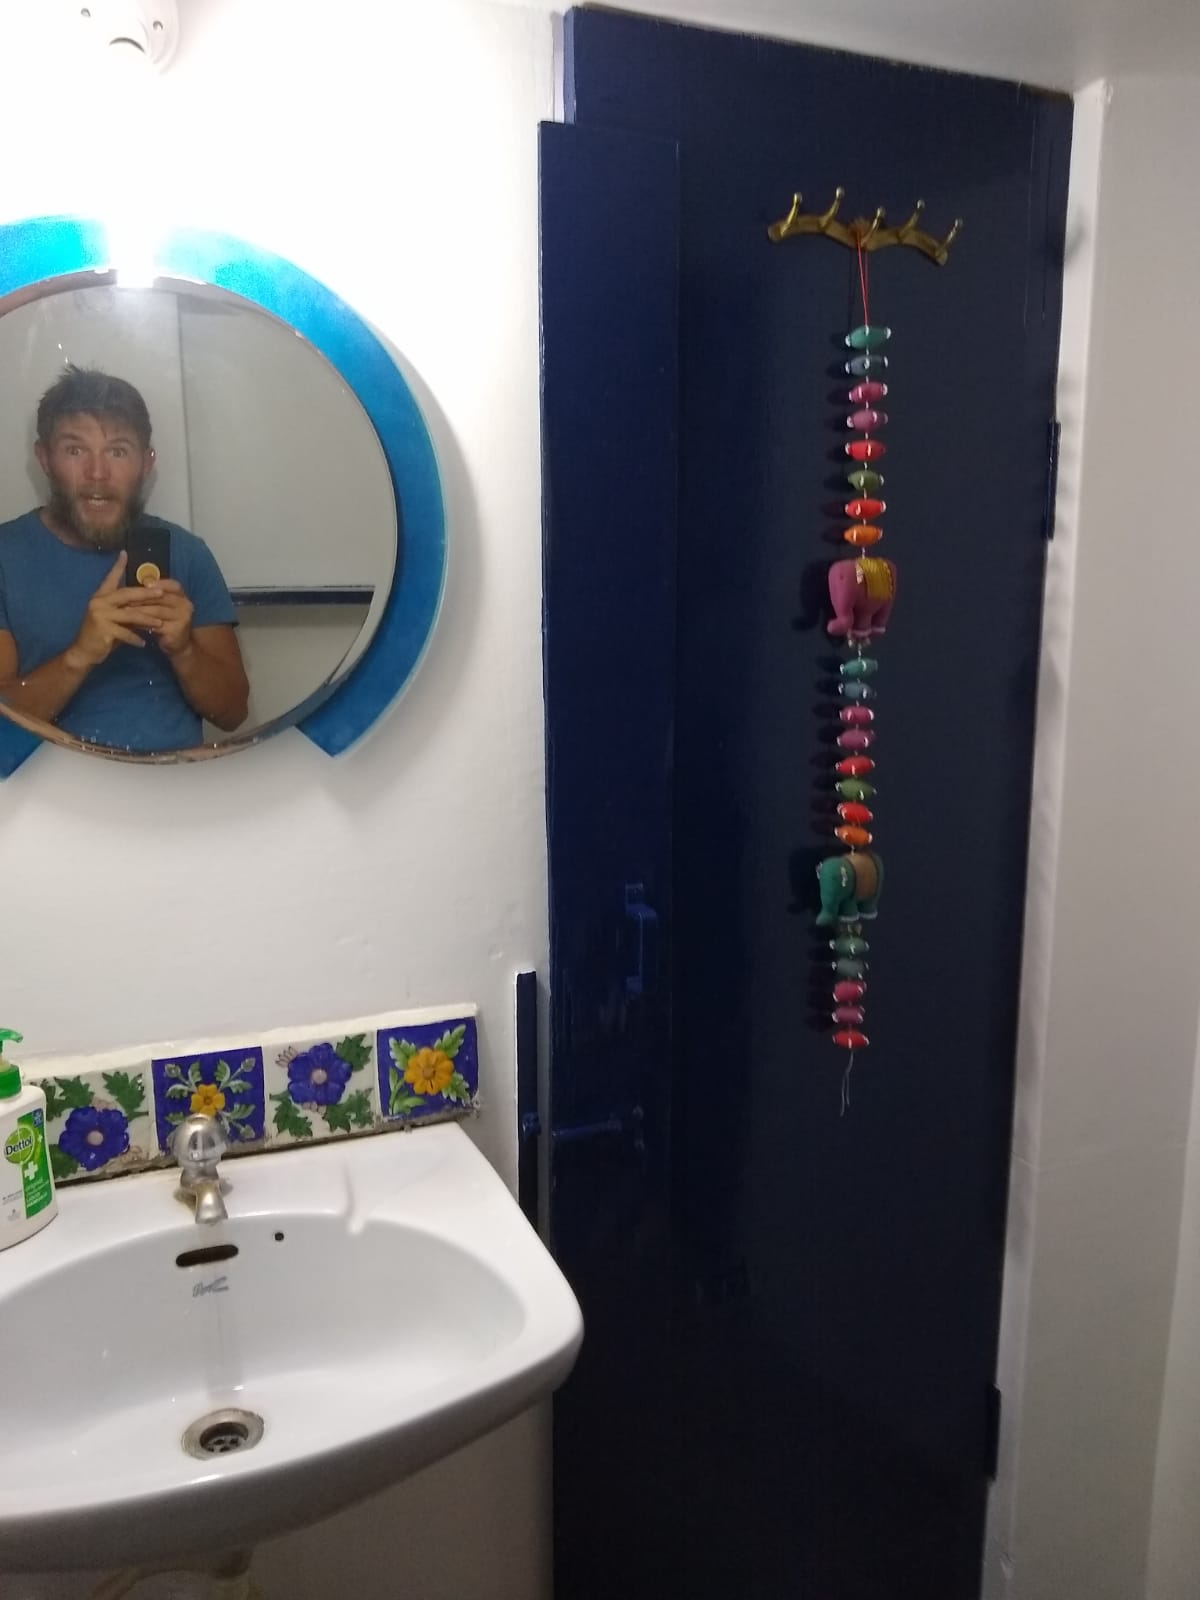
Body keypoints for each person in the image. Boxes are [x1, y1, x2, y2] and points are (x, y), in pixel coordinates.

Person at [0, 366, 249, 752]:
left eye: (117, 451)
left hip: (171, 779)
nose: (97, 473)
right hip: (51, 785)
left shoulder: (186, 552)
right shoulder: (6, 556)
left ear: (146, 463)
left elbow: (233, 713)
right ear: (44, 458)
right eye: (75, 450)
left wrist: (184, 651)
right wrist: (80, 655)